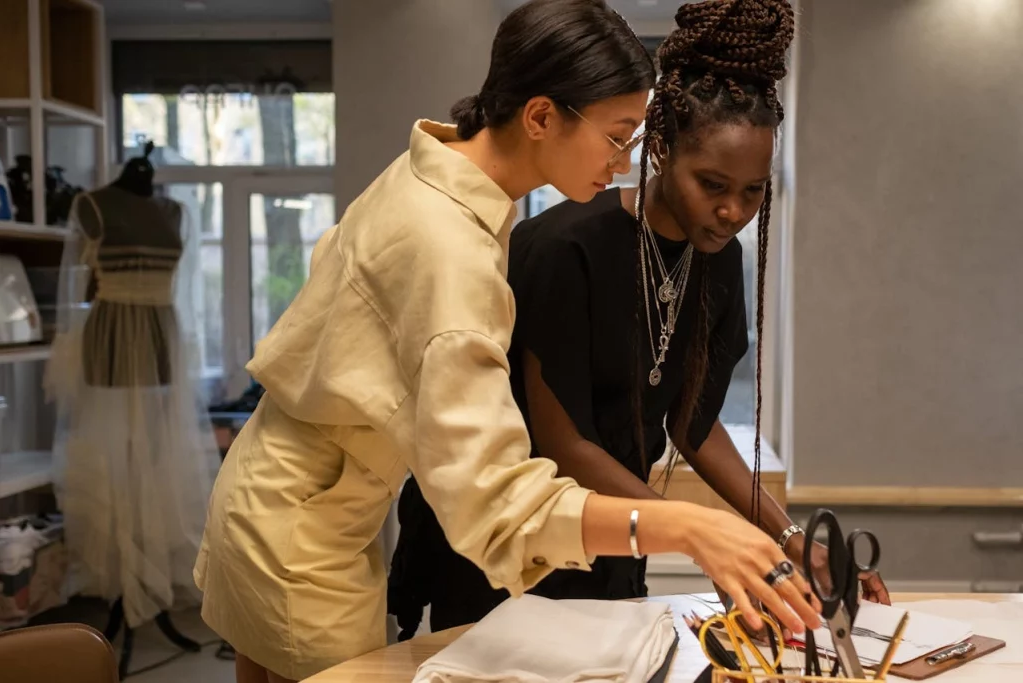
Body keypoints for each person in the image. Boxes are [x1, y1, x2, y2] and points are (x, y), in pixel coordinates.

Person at [194, 1, 821, 681]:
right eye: (616, 137)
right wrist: (692, 528)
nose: (623, 162)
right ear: (542, 117)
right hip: (302, 528)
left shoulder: (441, 175)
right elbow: (495, 499)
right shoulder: (455, 246)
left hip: (275, 494)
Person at [388, 0, 889, 639]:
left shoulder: (719, 261)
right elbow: (566, 444)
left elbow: (692, 423)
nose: (734, 211)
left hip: (620, 540)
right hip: (512, 547)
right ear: (660, 151)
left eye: (753, 190)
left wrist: (788, 537)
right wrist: (705, 535)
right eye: (712, 184)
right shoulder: (564, 247)